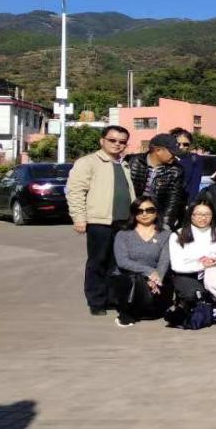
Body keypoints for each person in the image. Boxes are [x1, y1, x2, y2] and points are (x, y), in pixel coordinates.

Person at [66, 125, 137, 316]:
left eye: (122, 142)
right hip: (99, 222)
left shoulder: (124, 164)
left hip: (123, 222)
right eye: (112, 140)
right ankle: (96, 302)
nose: (117, 144)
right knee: (98, 262)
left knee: (117, 263)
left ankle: (112, 299)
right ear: (102, 141)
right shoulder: (88, 162)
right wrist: (79, 218)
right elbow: (75, 192)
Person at [169, 198, 216, 315]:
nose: (203, 218)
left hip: (215, 273)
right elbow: (176, 265)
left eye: (207, 214)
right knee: (195, 296)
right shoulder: (178, 234)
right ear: (191, 215)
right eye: (198, 214)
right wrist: (202, 265)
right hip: (188, 275)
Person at [110, 197, 171, 327]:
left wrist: (156, 279)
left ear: (156, 212)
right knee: (133, 278)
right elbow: (122, 261)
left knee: (153, 312)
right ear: (134, 213)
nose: (144, 214)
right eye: (139, 211)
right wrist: (149, 272)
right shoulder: (123, 234)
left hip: (155, 280)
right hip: (128, 278)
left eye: (149, 210)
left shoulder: (166, 234)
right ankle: (126, 314)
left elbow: (164, 261)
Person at [125, 133, 185, 231]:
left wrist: (165, 225)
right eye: (172, 152)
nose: (175, 156)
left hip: (155, 217)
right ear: (158, 150)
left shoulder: (176, 170)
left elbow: (173, 200)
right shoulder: (132, 161)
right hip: (130, 216)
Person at [169, 128, 204, 203]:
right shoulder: (165, 158)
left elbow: (195, 185)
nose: (181, 147)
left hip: (185, 201)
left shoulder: (195, 159)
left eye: (185, 144)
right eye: (178, 144)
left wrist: (191, 204)